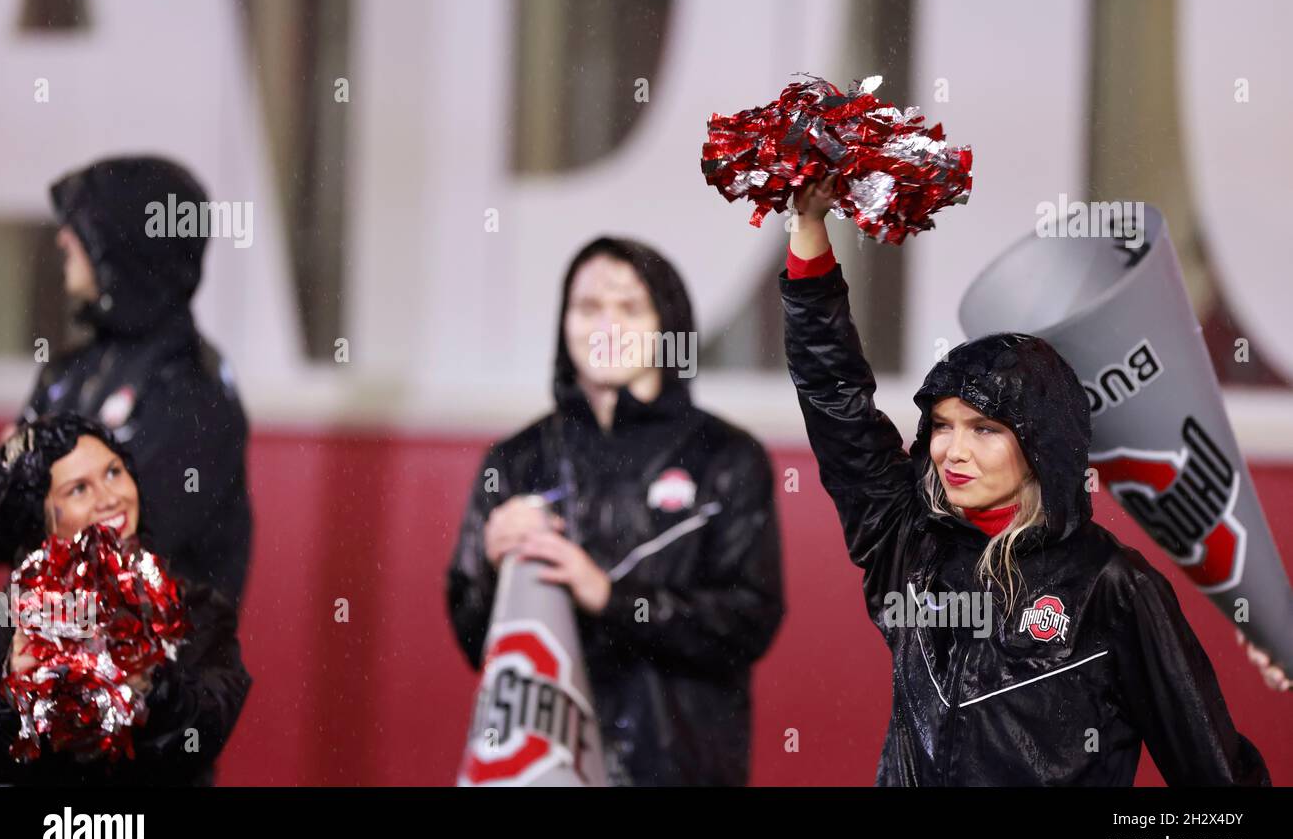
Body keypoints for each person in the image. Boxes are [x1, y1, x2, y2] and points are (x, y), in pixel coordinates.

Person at [776, 174, 1269, 785]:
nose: (953, 451)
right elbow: (835, 398)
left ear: (1041, 445)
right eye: (941, 426)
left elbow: (1219, 783)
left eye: (984, 429)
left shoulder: (1112, 588)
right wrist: (808, 227)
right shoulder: (906, 542)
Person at [447, 236, 785, 786]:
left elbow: (749, 621)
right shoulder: (514, 460)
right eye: (587, 308)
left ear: (667, 326)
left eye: (630, 308)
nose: (607, 325)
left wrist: (609, 597)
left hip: (680, 766)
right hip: (543, 762)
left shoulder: (726, 457)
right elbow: (471, 637)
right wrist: (490, 566)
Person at [15, 156, 253, 607]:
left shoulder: (194, 390)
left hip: (155, 671)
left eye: (84, 228)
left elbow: (117, 547)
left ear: (127, 246)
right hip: (56, 662)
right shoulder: (69, 371)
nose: (62, 237)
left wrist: (38, 491)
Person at [0, 413, 251, 785]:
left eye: (114, 472)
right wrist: (14, 694)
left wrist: (150, 686)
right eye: (78, 489)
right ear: (39, 519)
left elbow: (199, 736)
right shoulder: (6, 623)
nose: (110, 498)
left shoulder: (194, 610)